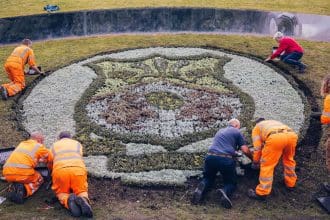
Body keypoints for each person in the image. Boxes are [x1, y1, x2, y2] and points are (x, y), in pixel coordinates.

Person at [192, 119, 252, 209]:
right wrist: (253, 158)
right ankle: (225, 191)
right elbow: (245, 149)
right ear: (236, 125)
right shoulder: (236, 131)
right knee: (231, 182)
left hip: (210, 156)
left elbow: (223, 146)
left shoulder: (220, 131)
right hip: (225, 159)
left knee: (208, 177)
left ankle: (202, 186)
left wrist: (234, 152)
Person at [248, 118, 298, 200]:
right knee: (289, 160)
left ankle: (262, 193)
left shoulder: (257, 128)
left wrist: (256, 161)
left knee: (267, 165)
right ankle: (290, 183)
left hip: (275, 138)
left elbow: (257, 148)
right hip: (291, 135)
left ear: (256, 123)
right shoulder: (274, 122)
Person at [51, 131, 93, 218]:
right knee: (81, 190)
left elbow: (50, 160)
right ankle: (83, 199)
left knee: (62, 192)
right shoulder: (77, 144)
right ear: (70, 137)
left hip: (60, 171)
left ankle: (68, 201)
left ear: (59, 138)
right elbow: (80, 155)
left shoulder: (54, 145)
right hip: (78, 169)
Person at [2, 132, 52, 204]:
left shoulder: (22, 144)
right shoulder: (39, 146)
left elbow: (26, 158)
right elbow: (50, 159)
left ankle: (13, 187)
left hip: (7, 173)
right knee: (39, 178)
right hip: (23, 174)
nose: (43, 142)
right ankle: (24, 191)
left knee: (19, 177)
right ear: (39, 140)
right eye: (42, 141)